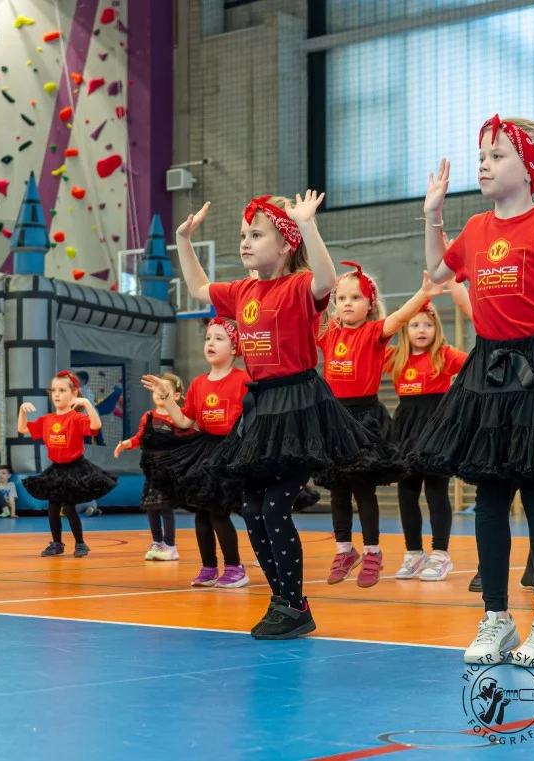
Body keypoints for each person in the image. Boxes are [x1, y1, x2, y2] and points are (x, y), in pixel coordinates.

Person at [419, 116, 534, 667]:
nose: (483, 164)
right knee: (487, 494)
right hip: (489, 367)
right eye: (481, 154)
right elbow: (437, 269)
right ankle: (496, 618)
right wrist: (433, 214)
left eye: (497, 155)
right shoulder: (479, 227)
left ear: (531, 168)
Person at [176, 191, 361, 640]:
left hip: (298, 408)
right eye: (243, 234)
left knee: (275, 506)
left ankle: (294, 604)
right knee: (253, 507)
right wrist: (184, 240)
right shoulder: (241, 291)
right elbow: (200, 288)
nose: (245, 242)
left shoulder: (299, 286)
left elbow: (326, 278)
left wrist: (307, 223)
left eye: (256, 235)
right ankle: (282, 599)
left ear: (284, 245)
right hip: (261, 409)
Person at [315, 263, 441, 587]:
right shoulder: (328, 334)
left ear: (370, 304)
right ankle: (345, 548)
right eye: (341, 297)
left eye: (355, 297)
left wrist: (424, 293)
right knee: (337, 489)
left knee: (362, 488)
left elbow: (399, 318)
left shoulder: (373, 332)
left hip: (364, 419)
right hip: (335, 419)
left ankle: (372, 551)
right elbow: (307, 305)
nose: (347, 303)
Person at [142, 319, 252, 588]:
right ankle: (208, 567)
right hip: (204, 450)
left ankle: (236, 567)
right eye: (208, 339)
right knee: (202, 512)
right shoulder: (199, 383)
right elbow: (183, 422)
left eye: (218, 339)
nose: (211, 343)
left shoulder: (243, 380)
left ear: (234, 348)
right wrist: (167, 397)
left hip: (230, 450)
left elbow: (251, 418)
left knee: (218, 512)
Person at [385, 290, 469, 582]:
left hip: (436, 428)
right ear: (405, 329)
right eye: (415, 324)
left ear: (437, 328)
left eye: (428, 325)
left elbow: (474, 365)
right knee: (406, 491)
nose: (422, 330)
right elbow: (369, 342)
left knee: (436, 491)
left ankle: (441, 554)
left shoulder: (445, 356)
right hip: (405, 428)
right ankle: (414, 552)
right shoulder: (395, 358)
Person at [18, 371, 116, 558]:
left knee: (69, 507)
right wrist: (22, 410)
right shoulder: (47, 420)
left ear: (74, 393)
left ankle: (80, 543)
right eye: (53, 390)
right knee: (53, 506)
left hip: (75, 468)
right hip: (56, 469)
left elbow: (95, 426)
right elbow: (22, 428)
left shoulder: (76, 418)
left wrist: (87, 403)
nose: (56, 394)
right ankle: (56, 543)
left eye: (62, 390)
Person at [114, 372, 188, 562]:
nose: (158, 392)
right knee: (151, 507)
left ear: (176, 396)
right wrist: (125, 444)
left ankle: (171, 546)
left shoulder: (179, 417)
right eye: (155, 388)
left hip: (170, 470)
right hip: (152, 470)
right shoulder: (148, 416)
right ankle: (157, 543)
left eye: (163, 389)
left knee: (165, 507)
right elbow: (140, 437)